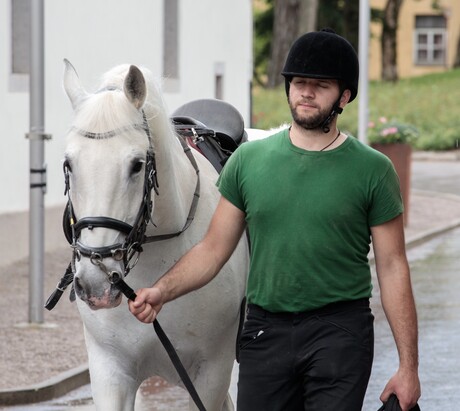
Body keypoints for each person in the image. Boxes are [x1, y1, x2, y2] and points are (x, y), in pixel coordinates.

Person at [128, 28, 421, 411]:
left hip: (340, 333)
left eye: (320, 85)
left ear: (344, 96)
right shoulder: (248, 162)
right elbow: (213, 250)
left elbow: (393, 266)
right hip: (265, 332)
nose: (306, 92)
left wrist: (408, 367)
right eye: (299, 82)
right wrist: (160, 291)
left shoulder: (374, 170)